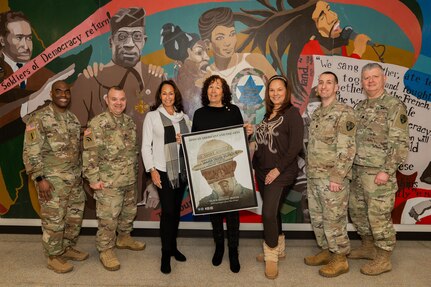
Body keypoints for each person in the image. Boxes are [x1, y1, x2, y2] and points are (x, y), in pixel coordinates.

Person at [70, 7, 164, 217]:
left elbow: (162, 138)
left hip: (145, 188)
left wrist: (154, 182)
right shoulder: (89, 80)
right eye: (122, 37)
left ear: (145, 40)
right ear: (111, 41)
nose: (130, 44)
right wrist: (91, 180)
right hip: (106, 186)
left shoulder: (157, 79)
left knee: (130, 226)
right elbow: (76, 140)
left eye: (136, 36)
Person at [234, 0, 370, 112]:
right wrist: (357, 52)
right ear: (313, 27)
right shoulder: (308, 50)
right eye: (322, 15)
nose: (332, 16)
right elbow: (342, 77)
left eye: (328, 9)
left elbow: (343, 83)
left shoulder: (338, 47)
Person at [349, 63, 409, 275]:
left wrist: (387, 170)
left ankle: (383, 258)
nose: (371, 81)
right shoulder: (360, 108)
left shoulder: (394, 106)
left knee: (378, 215)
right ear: (362, 82)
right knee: (358, 212)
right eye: (366, 78)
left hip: (378, 173)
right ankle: (367, 247)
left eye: (375, 76)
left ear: (384, 79)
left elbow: (400, 144)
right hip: (357, 171)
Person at [22, 80, 88, 273]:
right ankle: (53, 256)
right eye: (58, 91)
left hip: (74, 180)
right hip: (51, 181)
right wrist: (39, 178)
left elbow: (77, 151)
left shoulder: (73, 119)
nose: (63, 95)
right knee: (54, 220)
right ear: (51, 93)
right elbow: (30, 151)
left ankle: (66, 248)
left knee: (73, 217)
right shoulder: (39, 118)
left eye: (67, 92)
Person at [192, 75, 253, 273]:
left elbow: (239, 139)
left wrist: (248, 132)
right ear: (206, 91)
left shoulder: (233, 111)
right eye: (210, 87)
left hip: (228, 170)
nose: (214, 90)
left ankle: (233, 251)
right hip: (210, 171)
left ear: (223, 91)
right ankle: (219, 247)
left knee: (233, 212)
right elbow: (194, 144)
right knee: (214, 211)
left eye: (218, 87)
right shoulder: (199, 114)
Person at [82, 86, 145, 271]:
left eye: (122, 99)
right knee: (108, 219)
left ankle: (124, 238)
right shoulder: (97, 124)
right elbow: (89, 154)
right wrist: (93, 180)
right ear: (106, 100)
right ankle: (105, 250)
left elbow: (132, 151)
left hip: (128, 179)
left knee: (127, 214)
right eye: (114, 99)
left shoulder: (129, 122)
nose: (119, 103)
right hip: (108, 182)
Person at [304, 71, 356, 277]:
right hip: (315, 176)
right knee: (318, 217)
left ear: (337, 87)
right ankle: (327, 250)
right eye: (321, 82)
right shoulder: (317, 113)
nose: (324, 86)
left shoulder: (344, 112)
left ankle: (340, 259)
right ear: (317, 88)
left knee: (334, 219)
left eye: (329, 83)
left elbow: (347, 148)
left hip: (332, 178)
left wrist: (337, 177)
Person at [252, 75, 304, 279]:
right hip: (263, 171)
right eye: (272, 90)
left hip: (281, 173)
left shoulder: (293, 114)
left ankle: (271, 254)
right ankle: (279, 248)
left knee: (267, 214)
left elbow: (295, 147)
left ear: (286, 91)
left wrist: (278, 169)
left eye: (279, 89)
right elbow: (263, 143)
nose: (275, 93)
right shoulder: (267, 115)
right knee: (273, 212)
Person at [142, 80, 191, 274]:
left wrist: (184, 139)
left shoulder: (184, 118)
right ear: (159, 96)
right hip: (162, 171)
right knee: (168, 211)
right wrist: (152, 170)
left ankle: (173, 247)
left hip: (181, 172)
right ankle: (165, 252)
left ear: (175, 95)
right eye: (164, 93)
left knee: (175, 211)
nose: (168, 97)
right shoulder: (152, 117)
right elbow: (146, 146)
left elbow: (191, 142)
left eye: (171, 93)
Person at [198, 7, 276, 124]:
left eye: (231, 34)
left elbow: (281, 95)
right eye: (220, 37)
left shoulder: (255, 60)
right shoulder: (207, 78)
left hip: (265, 133)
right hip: (232, 138)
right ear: (208, 44)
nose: (228, 42)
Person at [161, 23, 210, 119]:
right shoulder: (170, 88)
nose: (207, 57)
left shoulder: (210, 87)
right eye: (199, 52)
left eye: (206, 52)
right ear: (179, 62)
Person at [193, 139, 256, 212]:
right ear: (203, 175)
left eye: (225, 167)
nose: (220, 175)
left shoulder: (250, 197)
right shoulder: (203, 204)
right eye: (211, 172)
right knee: (216, 218)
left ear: (233, 166)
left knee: (232, 216)